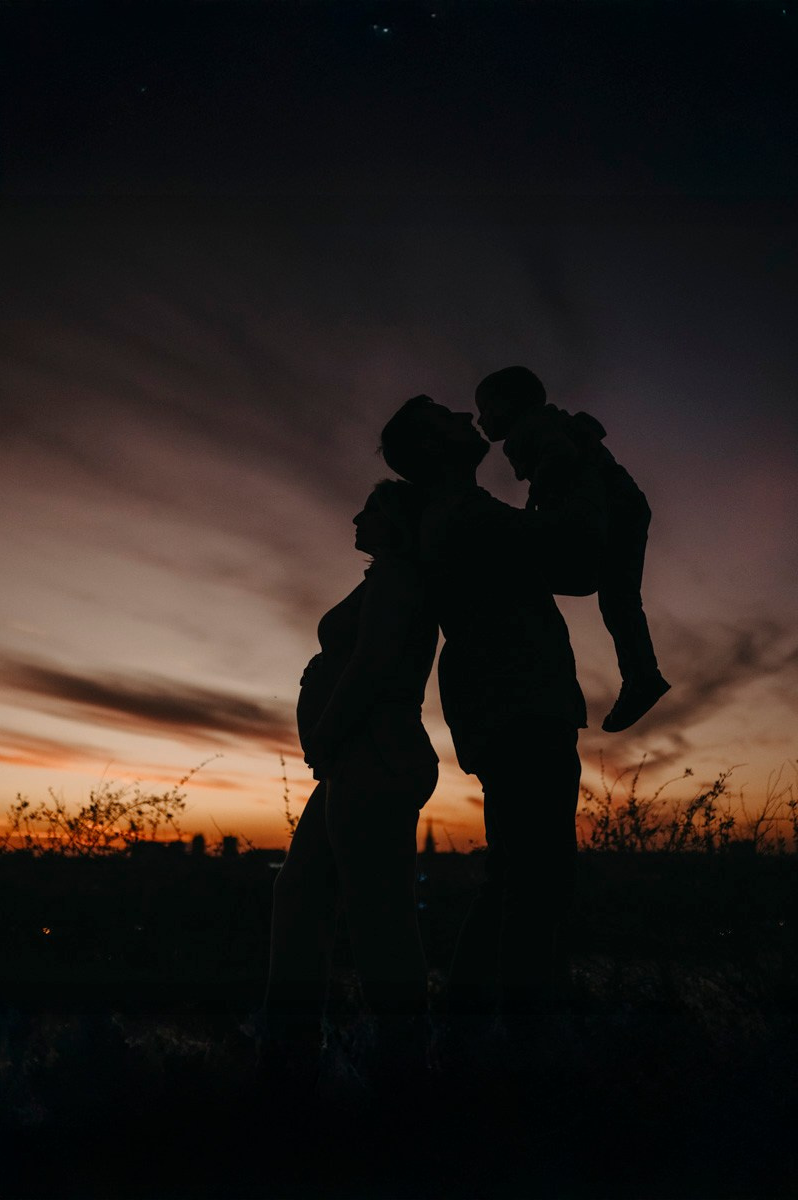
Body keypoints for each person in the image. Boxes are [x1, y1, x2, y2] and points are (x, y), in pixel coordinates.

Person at [379, 396, 605, 1025]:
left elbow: (553, 556)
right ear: (431, 449)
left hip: (509, 704)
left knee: (518, 874)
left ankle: (474, 1036)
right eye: (444, 416)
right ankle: (517, 1044)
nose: (464, 414)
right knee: (538, 878)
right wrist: (572, 459)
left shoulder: (460, 513)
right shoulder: (460, 512)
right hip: (520, 703)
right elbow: (573, 550)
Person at [261, 479, 439, 1089]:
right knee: (299, 894)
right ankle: (291, 1055)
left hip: (372, 756)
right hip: (352, 758)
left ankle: (404, 1068)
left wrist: (327, 732)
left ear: (399, 522)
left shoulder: (399, 578)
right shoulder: (382, 579)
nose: (358, 516)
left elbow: (372, 665)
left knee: (378, 915)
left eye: (373, 509)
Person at [474, 365, 670, 732]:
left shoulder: (528, 429)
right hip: (626, 506)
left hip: (604, 511)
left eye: (486, 408)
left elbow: (560, 455)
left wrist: (539, 499)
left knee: (530, 574)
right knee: (620, 600)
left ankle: (637, 677)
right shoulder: (549, 422)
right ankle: (642, 675)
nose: (480, 419)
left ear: (511, 404)